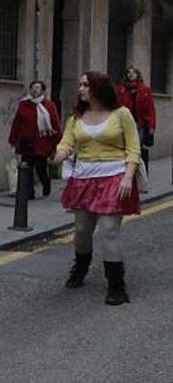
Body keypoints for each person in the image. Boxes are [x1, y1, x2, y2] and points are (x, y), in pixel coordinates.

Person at [52, 71, 141, 306]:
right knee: (82, 230)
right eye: (80, 84)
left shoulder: (122, 115)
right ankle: (80, 267)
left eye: (85, 85)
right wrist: (61, 153)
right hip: (84, 177)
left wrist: (128, 177)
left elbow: (133, 148)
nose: (80, 89)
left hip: (114, 176)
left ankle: (116, 285)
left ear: (98, 88)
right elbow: (67, 142)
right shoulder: (76, 117)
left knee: (109, 229)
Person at [8, 80, 62, 198]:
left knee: (40, 168)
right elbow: (17, 122)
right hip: (26, 142)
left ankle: (46, 184)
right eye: (33, 88)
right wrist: (13, 139)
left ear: (42, 90)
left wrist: (58, 141)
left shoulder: (49, 106)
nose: (35, 90)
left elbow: (55, 124)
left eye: (38, 88)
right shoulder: (24, 105)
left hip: (42, 143)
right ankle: (29, 193)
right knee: (27, 169)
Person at [116, 66, 156, 174]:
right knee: (124, 147)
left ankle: (138, 172)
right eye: (128, 72)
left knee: (136, 148)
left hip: (140, 124)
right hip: (124, 123)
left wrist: (152, 126)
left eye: (133, 72)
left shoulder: (144, 89)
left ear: (137, 75)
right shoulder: (121, 89)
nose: (131, 74)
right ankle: (125, 171)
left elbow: (151, 109)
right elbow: (117, 105)